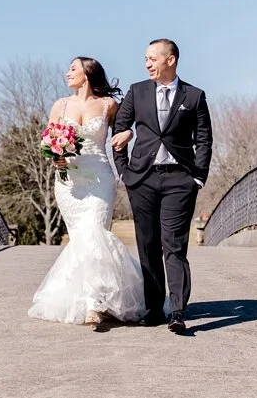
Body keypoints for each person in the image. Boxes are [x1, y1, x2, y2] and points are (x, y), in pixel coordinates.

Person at [28, 57, 146, 328]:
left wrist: (128, 135)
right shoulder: (60, 105)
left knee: (95, 234)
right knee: (81, 240)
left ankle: (95, 304)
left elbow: (128, 129)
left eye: (73, 68)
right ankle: (86, 300)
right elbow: (47, 141)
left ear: (88, 73)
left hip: (99, 177)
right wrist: (54, 156)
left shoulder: (108, 105)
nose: (68, 73)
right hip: (69, 181)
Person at [111, 39, 213, 334]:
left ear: (171, 59)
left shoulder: (194, 96)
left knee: (174, 246)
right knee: (148, 245)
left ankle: (177, 311)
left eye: (153, 58)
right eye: (146, 59)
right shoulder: (137, 91)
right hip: (142, 179)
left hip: (180, 180)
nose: (147, 64)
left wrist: (198, 177)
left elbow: (204, 139)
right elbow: (119, 130)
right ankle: (154, 309)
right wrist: (124, 172)